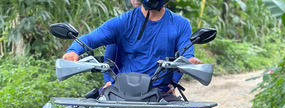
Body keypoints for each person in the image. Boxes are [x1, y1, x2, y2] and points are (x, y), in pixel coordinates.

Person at [62, 0, 202, 102]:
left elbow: (186, 55)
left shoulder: (181, 24)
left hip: (159, 92)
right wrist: (73, 51)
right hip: (119, 90)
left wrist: (190, 64)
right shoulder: (124, 22)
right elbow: (91, 39)